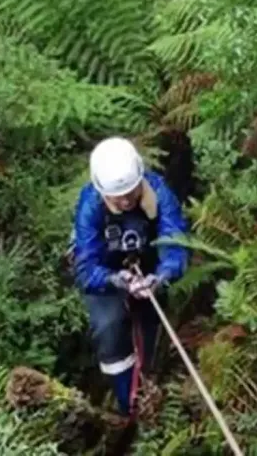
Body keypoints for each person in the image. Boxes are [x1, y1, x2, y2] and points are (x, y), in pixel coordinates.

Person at [72, 136, 189, 416]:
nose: (125, 201)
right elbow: (85, 267)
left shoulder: (159, 194)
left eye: (131, 192)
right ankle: (127, 403)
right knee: (108, 326)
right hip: (106, 273)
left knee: (151, 320)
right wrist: (116, 280)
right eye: (118, 196)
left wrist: (162, 276)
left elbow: (175, 243)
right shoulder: (91, 207)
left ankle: (149, 386)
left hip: (149, 267)